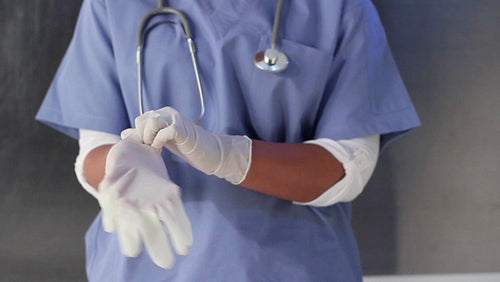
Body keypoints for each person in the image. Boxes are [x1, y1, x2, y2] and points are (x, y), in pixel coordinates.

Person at [36, 0, 420, 281]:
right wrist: (125, 163)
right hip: (144, 268)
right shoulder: (112, 6)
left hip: (295, 269)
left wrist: (228, 157)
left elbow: (348, 164)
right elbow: (93, 149)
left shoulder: (338, 8)